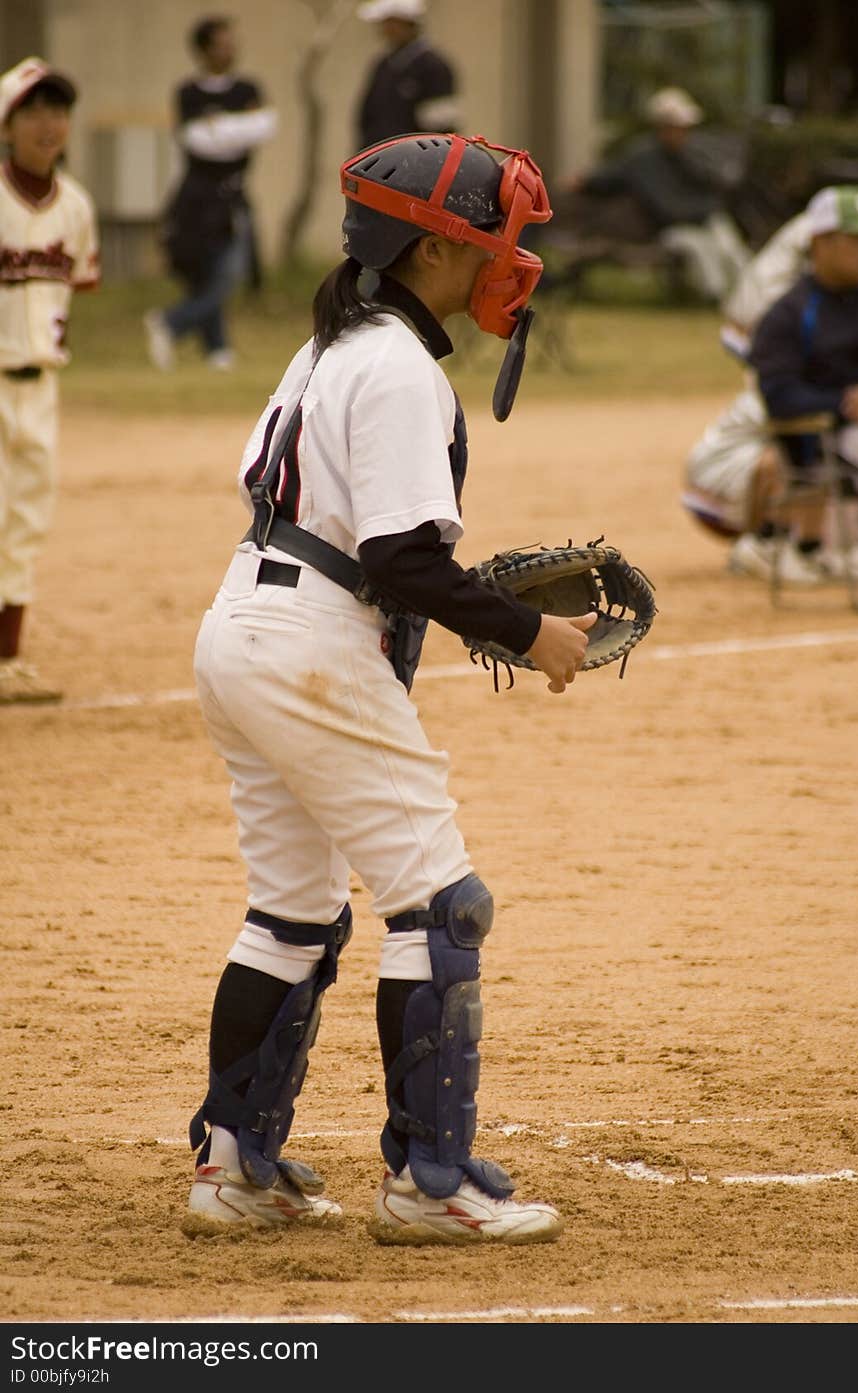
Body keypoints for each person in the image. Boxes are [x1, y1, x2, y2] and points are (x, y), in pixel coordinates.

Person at [185, 131, 597, 1244]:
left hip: (243, 626)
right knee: (438, 904)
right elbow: (404, 563)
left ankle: (231, 1169)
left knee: (295, 908)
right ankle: (430, 1184)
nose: (512, 257)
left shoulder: (330, 345)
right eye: (498, 236)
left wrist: (473, 604)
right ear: (431, 251)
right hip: (313, 643)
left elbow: (369, 546)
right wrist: (529, 633)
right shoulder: (402, 366)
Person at [0, 56, 100, 706]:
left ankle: (7, 660)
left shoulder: (77, 208)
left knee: (25, 517)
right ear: (7, 122)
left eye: (59, 110)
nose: (49, 123)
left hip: (40, 386)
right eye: (34, 109)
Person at [724, 185, 858, 584]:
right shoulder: (788, 314)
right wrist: (845, 403)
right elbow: (778, 395)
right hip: (830, 439)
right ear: (820, 243)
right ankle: (779, 542)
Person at [143, 15, 277, 373]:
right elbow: (197, 141)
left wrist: (221, 128)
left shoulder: (247, 88)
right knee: (207, 272)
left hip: (234, 197)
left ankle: (212, 348)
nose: (230, 49)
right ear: (203, 51)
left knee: (233, 270)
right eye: (221, 44)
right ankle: (182, 329)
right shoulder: (188, 92)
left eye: (232, 42)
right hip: (197, 200)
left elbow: (263, 128)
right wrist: (235, 130)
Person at [560, 86, 750, 305]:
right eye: (676, 127)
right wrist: (582, 182)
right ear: (662, 127)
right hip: (673, 229)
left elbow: (720, 180)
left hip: (708, 221)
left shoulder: (693, 155)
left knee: (730, 248)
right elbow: (611, 176)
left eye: (684, 127)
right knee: (702, 252)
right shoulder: (642, 158)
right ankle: (716, 302)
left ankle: (747, 298)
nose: (682, 132)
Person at [354, 0, 460, 153]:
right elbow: (368, 117)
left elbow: (441, 131)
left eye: (391, 23)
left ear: (408, 23)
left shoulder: (434, 67)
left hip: (415, 166)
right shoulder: (383, 65)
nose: (385, 30)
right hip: (378, 163)